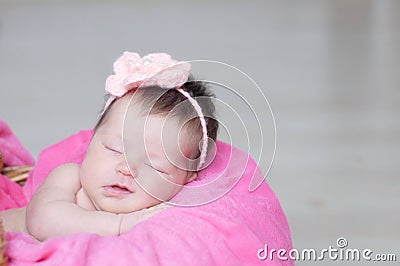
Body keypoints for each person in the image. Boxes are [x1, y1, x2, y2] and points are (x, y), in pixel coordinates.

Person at [0, 52, 218, 241]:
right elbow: (43, 222)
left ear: (187, 177)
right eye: (114, 149)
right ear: (92, 140)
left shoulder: (160, 211)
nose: (126, 168)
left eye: (154, 166)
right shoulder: (70, 178)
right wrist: (121, 224)